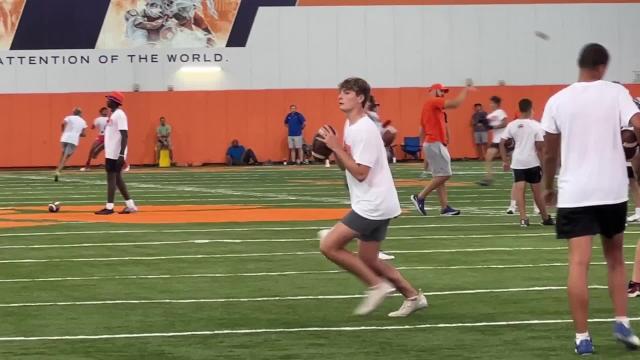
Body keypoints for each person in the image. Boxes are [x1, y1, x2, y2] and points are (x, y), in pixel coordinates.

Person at [541, 43, 640, 355]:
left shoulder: (557, 101)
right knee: (615, 259)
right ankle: (622, 322)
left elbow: (549, 152)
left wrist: (547, 186)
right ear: (603, 67)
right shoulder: (617, 93)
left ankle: (583, 337)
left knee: (579, 263)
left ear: (580, 64)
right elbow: (636, 125)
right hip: (611, 189)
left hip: (575, 191)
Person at [318, 77, 426, 317]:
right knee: (369, 259)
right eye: (340, 92)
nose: (340, 95)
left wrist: (336, 148)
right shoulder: (351, 126)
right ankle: (413, 297)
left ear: (360, 97)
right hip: (374, 200)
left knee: (329, 245)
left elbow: (360, 173)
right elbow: (348, 167)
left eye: (346, 92)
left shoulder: (364, 129)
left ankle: (377, 286)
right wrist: (335, 151)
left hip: (373, 203)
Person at [411, 81, 474, 216]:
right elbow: (456, 104)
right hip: (434, 143)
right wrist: (466, 90)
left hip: (432, 143)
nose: (443, 94)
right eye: (442, 91)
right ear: (435, 91)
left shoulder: (430, 107)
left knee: (439, 176)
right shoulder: (433, 102)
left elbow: (421, 130)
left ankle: (444, 207)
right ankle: (420, 197)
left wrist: (424, 148)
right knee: (445, 174)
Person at [499, 98, 554, 227]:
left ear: (519, 109)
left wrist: (505, 160)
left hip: (517, 162)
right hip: (532, 162)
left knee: (520, 190)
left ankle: (523, 219)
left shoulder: (512, 125)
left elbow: (502, 142)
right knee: (537, 193)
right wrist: (543, 164)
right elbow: (540, 147)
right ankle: (545, 218)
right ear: (530, 109)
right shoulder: (536, 125)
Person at [95, 92, 138, 215]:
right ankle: (131, 206)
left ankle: (109, 207)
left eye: (109, 99)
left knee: (111, 178)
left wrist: (121, 154)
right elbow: (111, 136)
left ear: (114, 101)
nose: (107, 101)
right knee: (117, 179)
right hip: (111, 152)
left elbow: (124, 135)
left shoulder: (120, 115)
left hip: (115, 153)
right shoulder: (113, 115)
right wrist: (99, 149)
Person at [478, 96, 508, 186]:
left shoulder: (500, 112)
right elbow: (487, 126)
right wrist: (482, 123)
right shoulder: (489, 115)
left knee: (510, 159)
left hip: (503, 139)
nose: (490, 105)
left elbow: (505, 123)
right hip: (496, 140)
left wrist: (493, 127)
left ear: (496, 104)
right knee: (488, 157)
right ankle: (488, 178)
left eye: (492, 103)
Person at [54, 107, 87, 182]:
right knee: (66, 158)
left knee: (62, 154)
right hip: (73, 140)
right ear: (80, 113)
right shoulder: (83, 121)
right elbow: (84, 134)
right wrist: (78, 133)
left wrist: (63, 131)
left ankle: (58, 168)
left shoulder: (68, 117)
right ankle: (58, 171)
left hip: (64, 137)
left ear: (73, 112)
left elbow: (62, 123)